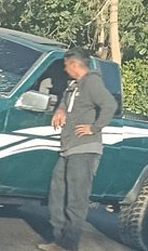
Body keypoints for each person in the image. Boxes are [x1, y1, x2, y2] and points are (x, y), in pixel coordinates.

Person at [38, 48, 118, 251]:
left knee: (76, 198)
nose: (65, 70)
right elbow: (66, 101)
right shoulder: (74, 85)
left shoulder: (92, 82)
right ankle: (57, 239)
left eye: (66, 65)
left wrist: (94, 127)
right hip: (68, 147)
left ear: (75, 65)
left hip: (84, 149)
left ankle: (69, 244)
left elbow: (109, 104)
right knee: (57, 193)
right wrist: (61, 109)